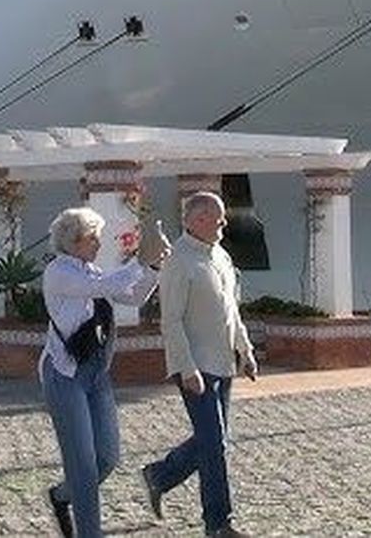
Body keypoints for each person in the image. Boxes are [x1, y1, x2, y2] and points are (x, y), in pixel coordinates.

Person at [40, 206, 163, 538]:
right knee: (82, 466)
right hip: (64, 375)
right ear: (72, 241)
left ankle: (61, 496)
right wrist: (138, 262)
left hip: (96, 372)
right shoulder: (59, 273)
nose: (97, 243)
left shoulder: (90, 270)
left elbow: (134, 296)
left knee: (107, 457)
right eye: (91, 237)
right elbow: (102, 286)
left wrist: (151, 266)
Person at [142, 191, 257, 538]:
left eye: (222, 216)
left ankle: (160, 475)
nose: (223, 222)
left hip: (224, 363)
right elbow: (171, 321)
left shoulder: (219, 255)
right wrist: (186, 367)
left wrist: (245, 350)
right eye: (216, 216)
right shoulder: (178, 261)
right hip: (195, 366)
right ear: (194, 220)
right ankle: (219, 524)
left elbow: (231, 311)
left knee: (215, 441)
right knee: (215, 444)